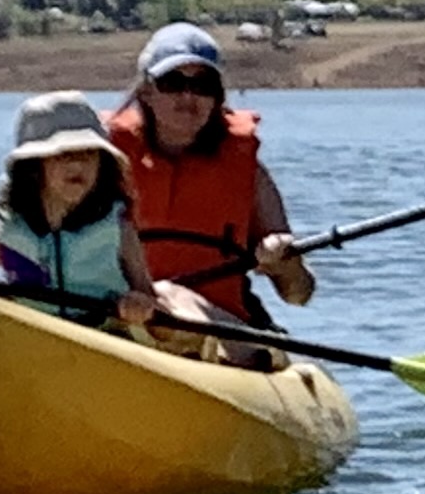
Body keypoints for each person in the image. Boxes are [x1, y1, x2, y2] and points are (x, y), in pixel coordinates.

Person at [103, 21, 320, 332]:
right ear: (146, 92)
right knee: (160, 298)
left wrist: (286, 264)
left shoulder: (249, 173)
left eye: (203, 85)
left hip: (221, 332)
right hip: (119, 323)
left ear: (217, 97)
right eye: (172, 83)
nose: (188, 97)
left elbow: (299, 294)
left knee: (170, 300)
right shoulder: (101, 162)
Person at [0, 93, 160, 333]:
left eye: (89, 153)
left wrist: (141, 305)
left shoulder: (119, 232)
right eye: (62, 154)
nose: (77, 164)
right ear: (33, 168)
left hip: (105, 339)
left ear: (102, 165)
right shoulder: (1, 240)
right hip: (32, 341)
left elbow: (155, 312)